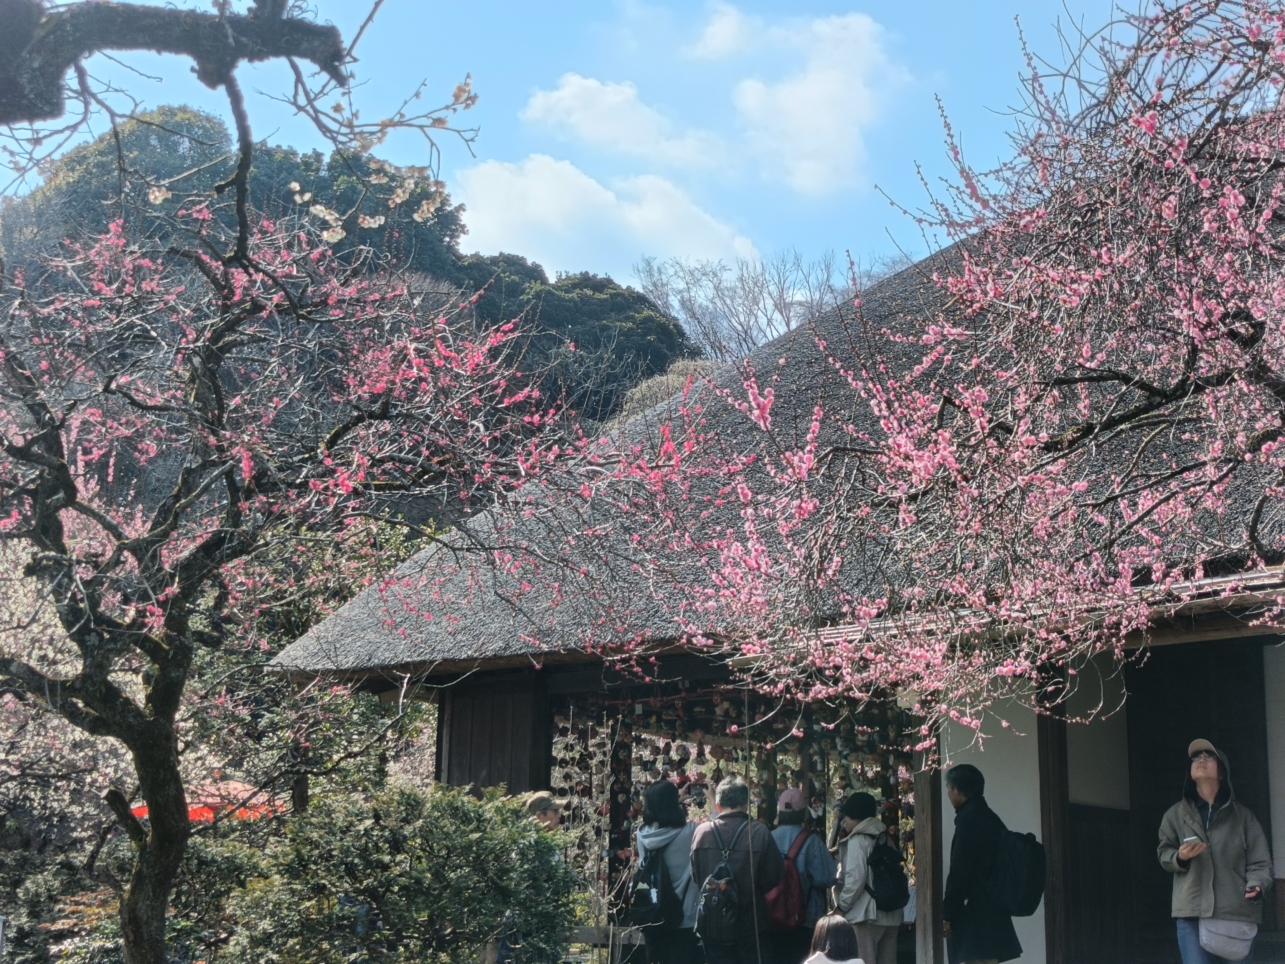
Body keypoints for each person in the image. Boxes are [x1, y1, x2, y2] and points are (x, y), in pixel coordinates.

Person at [1158, 739, 1273, 964]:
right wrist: (1180, 857)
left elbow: (1260, 863)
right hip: (1191, 914)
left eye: (1209, 757)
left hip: (1234, 913)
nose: (1201, 759)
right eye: (1196, 757)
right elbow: (1164, 853)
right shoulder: (1175, 815)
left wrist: (1256, 884)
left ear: (1222, 773)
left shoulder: (1243, 817)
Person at [691, 776, 785, 964]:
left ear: (717, 804)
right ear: (746, 803)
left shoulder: (702, 833)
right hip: (751, 922)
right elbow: (774, 876)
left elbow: (697, 876)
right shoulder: (759, 832)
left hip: (713, 922)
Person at [942, 764, 1021, 964]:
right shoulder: (990, 818)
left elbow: (960, 871)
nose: (948, 794)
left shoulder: (968, 821)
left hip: (974, 910)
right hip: (995, 906)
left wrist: (948, 912)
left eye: (949, 789)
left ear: (958, 791)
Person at [636, 780, 704, 964]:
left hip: (652, 914)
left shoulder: (641, 834)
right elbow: (716, 829)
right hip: (683, 916)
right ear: (674, 804)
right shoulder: (692, 831)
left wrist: (675, 801)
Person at [771, 788, 840, 964]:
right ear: (803, 812)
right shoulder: (811, 840)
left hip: (772, 916)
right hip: (806, 918)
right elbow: (828, 877)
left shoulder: (767, 839)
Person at [835, 792, 904, 964]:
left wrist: (841, 907)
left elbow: (856, 879)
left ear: (857, 816)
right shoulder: (884, 837)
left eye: (847, 817)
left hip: (866, 914)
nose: (845, 822)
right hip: (891, 913)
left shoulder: (859, 839)